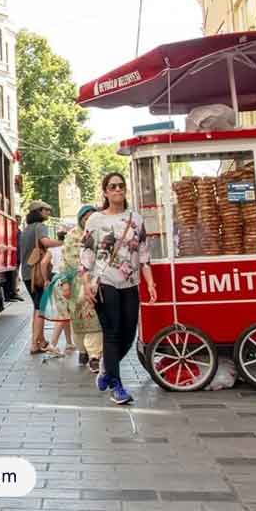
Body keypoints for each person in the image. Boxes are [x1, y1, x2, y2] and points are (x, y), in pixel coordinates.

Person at [80, 173, 156, 406]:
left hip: (130, 283)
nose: (117, 190)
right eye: (112, 187)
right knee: (112, 333)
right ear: (105, 192)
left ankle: (106, 369)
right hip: (105, 282)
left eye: (121, 186)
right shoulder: (96, 220)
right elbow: (86, 256)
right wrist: (87, 286)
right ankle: (117, 386)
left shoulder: (136, 219)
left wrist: (150, 282)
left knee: (129, 334)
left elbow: (143, 254)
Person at [59, 204, 104, 371]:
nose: (89, 221)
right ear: (80, 219)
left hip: (95, 283)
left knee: (95, 320)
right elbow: (64, 262)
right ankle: (82, 350)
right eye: (86, 218)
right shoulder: (71, 236)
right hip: (75, 285)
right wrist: (64, 283)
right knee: (77, 322)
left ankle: (94, 355)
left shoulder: (101, 233)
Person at [19, 200, 61, 354]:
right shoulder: (40, 227)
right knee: (40, 308)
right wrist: (63, 242)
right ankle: (34, 343)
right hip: (37, 275)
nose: (48, 213)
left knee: (37, 307)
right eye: (46, 210)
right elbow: (46, 242)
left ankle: (40, 340)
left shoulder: (25, 230)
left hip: (26, 274)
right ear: (39, 211)